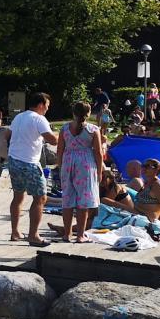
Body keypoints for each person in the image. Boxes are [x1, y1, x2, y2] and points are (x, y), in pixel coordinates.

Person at [5, 92, 58, 245]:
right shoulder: (39, 118)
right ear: (41, 105)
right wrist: (63, 134)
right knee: (40, 198)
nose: (47, 109)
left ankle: (15, 232)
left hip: (14, 160)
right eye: (47, 106)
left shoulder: (19, 117)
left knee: (18, 196)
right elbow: (53, 141)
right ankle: (33, 235)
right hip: (29, 162)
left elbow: (6, 135)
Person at [52, 102, 104, 243]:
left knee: (67, 199)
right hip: (86, 164)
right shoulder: (93, 129)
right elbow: (98, 153)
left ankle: (67, 234)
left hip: (68, 162)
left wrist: (60, 166)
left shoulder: (64, 129)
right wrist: (99, 172)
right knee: (84, 200)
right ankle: (80, 235)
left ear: (73, 113)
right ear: (88, 114)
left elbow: (59, 150)